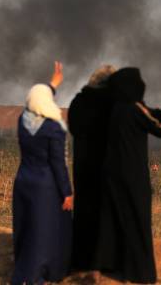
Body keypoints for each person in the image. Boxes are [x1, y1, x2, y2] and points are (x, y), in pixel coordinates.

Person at [93, 67, 161, 284]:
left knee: (117, 219)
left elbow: (153, 113)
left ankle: (114, 265)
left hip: (112, 175)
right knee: (137, 219)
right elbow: (157, 127)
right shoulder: (132, 109)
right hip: (132, 176)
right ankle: (140, 272)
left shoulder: (116, 108)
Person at [12, 62, 73, 284]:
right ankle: (40, 275)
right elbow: (58, 163)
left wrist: (53, 83)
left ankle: (24, 271)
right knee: (45, 233)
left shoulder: (23, 120)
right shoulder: (53, 127)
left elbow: (38, 98)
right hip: (46, 187)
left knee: (27, 228)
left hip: (23, 182)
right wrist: (66, 192)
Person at [68, 64, 116, 271]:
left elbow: (73, 128)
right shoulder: (110, 105)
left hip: (82, 164)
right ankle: (102, 260)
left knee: (84, 211)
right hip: (103, 165)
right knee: (103, 212)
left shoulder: (78, 101)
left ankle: (80, 258)